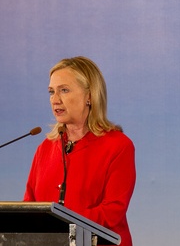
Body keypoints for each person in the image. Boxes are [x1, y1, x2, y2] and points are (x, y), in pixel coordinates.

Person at [24, 56, 136, 246]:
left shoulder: (118, 146)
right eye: (51, 92)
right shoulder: (45, 148)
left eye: (64, 90)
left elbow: (112, 212)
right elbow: (29, 204)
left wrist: (58, 220)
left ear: (90, 96)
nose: (55, 100)